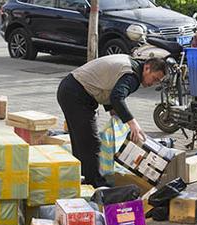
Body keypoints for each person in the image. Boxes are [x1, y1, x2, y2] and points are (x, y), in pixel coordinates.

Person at [57, 55, 167, 188]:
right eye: (154, 79)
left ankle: (81, 179)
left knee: (81, 142)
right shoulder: (132, 76)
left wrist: (114, 112)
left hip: (70, 89)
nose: (152, 84)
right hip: (76, 94)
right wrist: (132, 123)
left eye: (157, 82)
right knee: (91, 143)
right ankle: (95, 185)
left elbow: (109, 85)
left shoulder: (132, 65)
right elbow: (117, 97)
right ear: (147, 68)